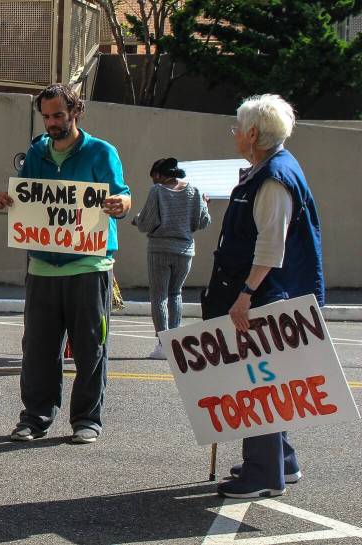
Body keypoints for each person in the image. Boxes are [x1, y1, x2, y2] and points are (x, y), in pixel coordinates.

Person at [0, 83, 131, 444]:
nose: (52, 122)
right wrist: (9, 198)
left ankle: (87, 419)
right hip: (42, 267)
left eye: (58, 115)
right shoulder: (37, 150)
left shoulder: (102, 152)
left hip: (88, 265)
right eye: (46, 116)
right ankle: (35, 417)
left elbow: (123, 194)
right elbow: (27, 192)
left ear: (75, 111)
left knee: (90, 347)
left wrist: (120, 204)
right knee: (37, 348)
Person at [206, 95, 324, 499]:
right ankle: (280, 460)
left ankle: (262, 474)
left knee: (256, 384)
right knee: (266, 382)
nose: (235, 134)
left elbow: (272, 246)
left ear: (253, 133)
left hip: (266, 295)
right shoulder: (266, 169)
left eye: (238, 127)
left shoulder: (273, 177)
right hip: (268, 292)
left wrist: (245, 295)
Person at [132, 157, 211, 359]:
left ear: (159, 175)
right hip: (184, 250)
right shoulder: (193, 191)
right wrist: (205, 204)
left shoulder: (157, 191)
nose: (153, 181)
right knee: (175, 293)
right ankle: (175, 344)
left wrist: (137, 220)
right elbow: (202, 222)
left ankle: (162, 344)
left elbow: (146, 223)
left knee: (159, 295)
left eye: (153, 177)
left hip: (159, 249)